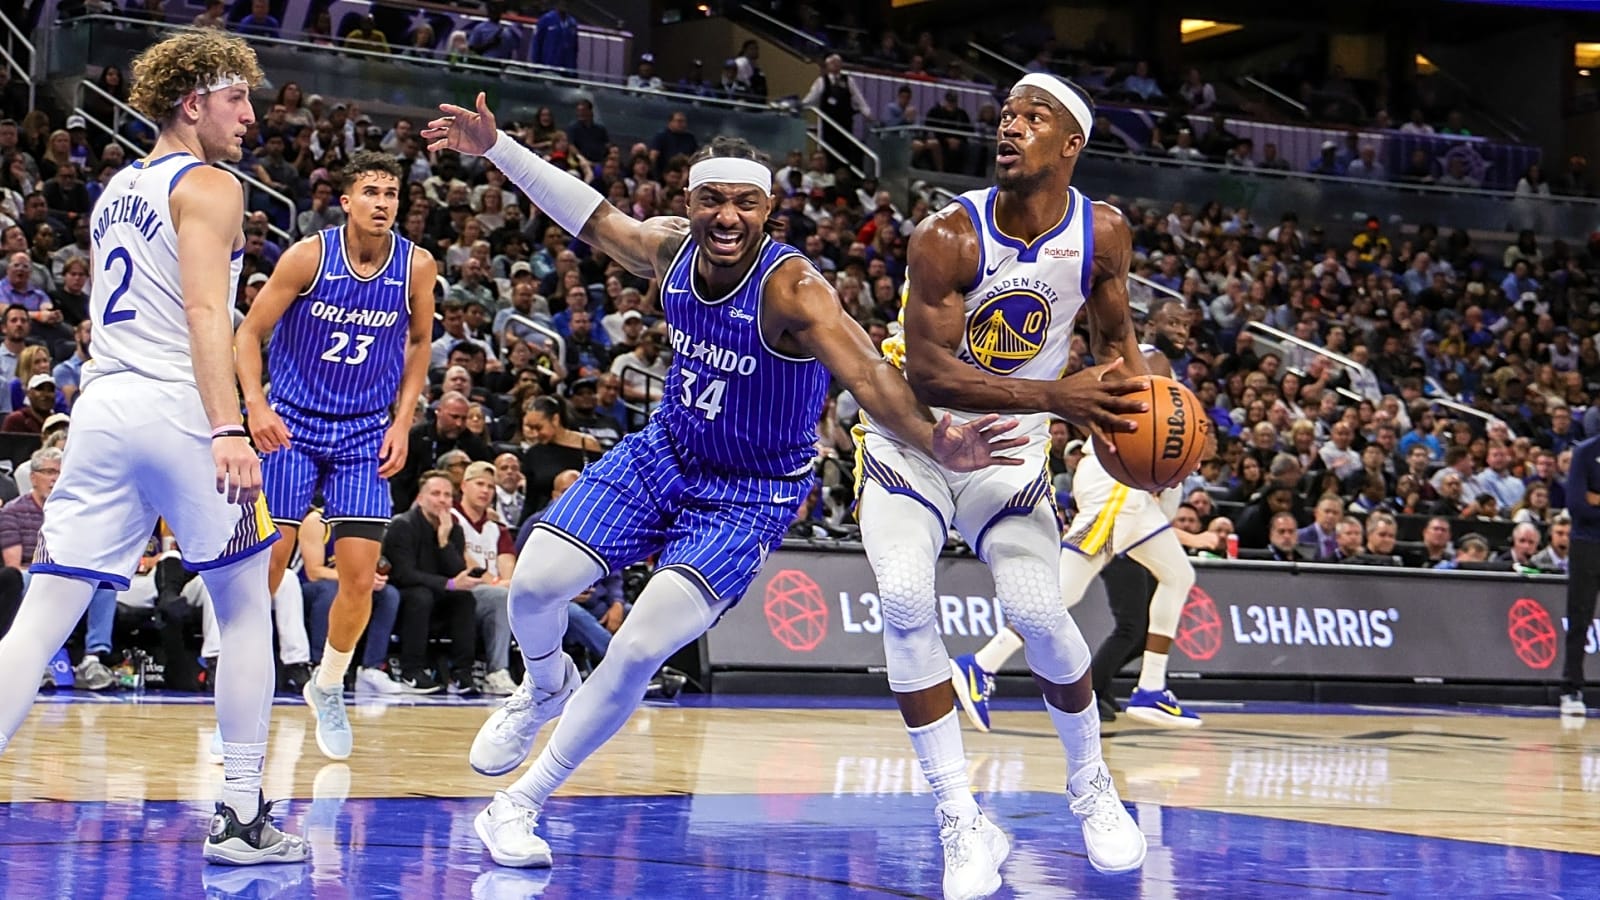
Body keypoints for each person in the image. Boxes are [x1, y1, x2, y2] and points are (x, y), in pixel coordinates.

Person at [421, 93, 1020, 872]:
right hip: (667, 451)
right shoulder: (670, 250)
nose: (728, 216)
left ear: (768, 208)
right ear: (688, 203)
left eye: (745, 202)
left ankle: (520, 804)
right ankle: (542, 686)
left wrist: (938, 437)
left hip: (750, 490)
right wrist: (498, 145)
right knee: (534, 584)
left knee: (637, 645)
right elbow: (594, 216)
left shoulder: (793, 290)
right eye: (712, 200)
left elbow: (870, 374)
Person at [0, 32, 305, 865]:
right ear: (191, 102)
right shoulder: (209, 184)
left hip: (103, 404)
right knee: (247, 608)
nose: (251, 113)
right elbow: (210, 315)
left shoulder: (118, 188)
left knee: (40, 621)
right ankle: (242, 816)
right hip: (179, 407)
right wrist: (229, 424)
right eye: (236, 97)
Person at [860, 73, 1152, 896]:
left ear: (1072, 145)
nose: (1011, 127)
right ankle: (961, 818)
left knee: (1035, 611)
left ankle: (1093, 786)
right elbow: (930, 371)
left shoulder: (1103, 233)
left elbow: (1119, 343)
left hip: (1012, 456)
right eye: (1007, 115)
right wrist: (1059, 396)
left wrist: (1140, 419)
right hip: (913, 442)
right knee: (909, 601)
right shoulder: (947, 235)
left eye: (1035, 118)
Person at [235, 151, 435, 761]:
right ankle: (243, 699)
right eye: (370, 191)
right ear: (345, 200)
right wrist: (255, 405)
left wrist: (403, 422)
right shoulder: (308, 256)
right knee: (267, 571)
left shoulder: (417, 266)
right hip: (291, 425)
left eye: (392, 193)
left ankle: (327, 683)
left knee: (360, 579)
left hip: (363, 434)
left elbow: (421, 342)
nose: (383, 202)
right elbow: (248, 333)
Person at [953, 298, 1208, 739]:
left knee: (1178, 575)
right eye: (1173, 319)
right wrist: (1166, 459)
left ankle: (1151, 688)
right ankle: (979, 665)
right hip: (1117, 487)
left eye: (1187, 321)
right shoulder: (1151, 359)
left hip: (1132, 495)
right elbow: (1150, 427)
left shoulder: (1158, 365)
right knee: (1063, 591)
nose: (1182, 327)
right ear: (1152, 325)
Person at [1562, 432, 1600, 717]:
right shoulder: (1585, 452)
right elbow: (1578, 506)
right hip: (1588, 544)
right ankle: (1571, 688)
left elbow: (1592, 503)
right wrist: (1590, 501)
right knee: (1580, 618)